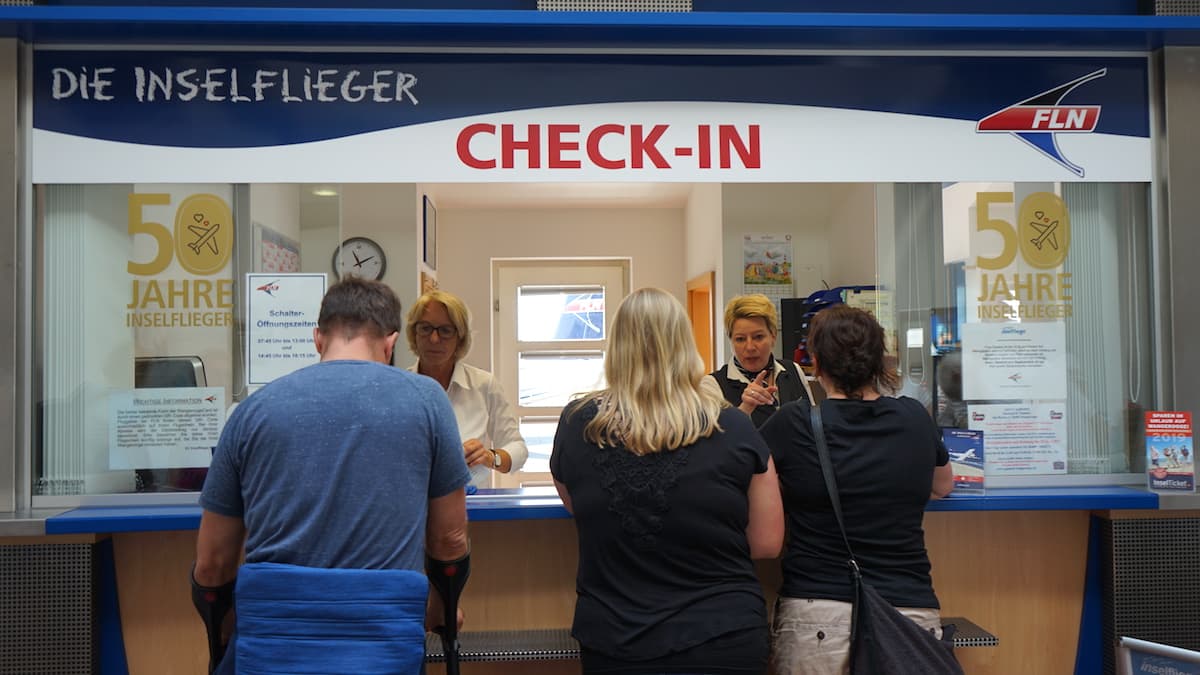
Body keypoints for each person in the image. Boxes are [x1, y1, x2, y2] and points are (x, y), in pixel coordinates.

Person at [192, 278, 472, 673]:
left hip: (274, 650)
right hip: (383, 647)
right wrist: (443, 608)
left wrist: (227, 629)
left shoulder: (252, 411)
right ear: (391, 344)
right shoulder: (428, 401)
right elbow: (449, 538)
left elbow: (212, 565)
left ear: (318, 339)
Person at [551, 287, 785, 675]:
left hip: (615, 636)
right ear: (684, 344)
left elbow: (576, 504)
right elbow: (765, 543)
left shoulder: (579, 423)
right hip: (723, 636)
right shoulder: (733, 425)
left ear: (617, 346)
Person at [759, 304, 954, 675]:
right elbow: (943, 485)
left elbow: (743, 482)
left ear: (816, 362)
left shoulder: (793, 423)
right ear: (880, 360)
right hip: (907, 612)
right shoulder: (914, 417)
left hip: (818, 614)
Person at [406, 289, 529, 489]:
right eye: (426, 328)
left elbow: (518, 450)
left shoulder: (483, 385)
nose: (434, 339)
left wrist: (490, 457)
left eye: (445, 330)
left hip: (473, 507)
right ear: (414, 334)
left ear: (460, 338)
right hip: (414, 507)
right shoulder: (399, 389)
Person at [708, 294, 816, 428]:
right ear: (730, 341)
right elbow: (714, 445)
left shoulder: (793, 369)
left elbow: (814, 427)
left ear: (773, 336)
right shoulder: (712, 386)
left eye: (758, 337)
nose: (750, 347)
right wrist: (744, 409)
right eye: (740, 339)